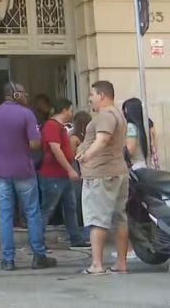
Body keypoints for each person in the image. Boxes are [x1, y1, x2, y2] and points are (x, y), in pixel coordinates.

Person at [0, 82, 56, 271]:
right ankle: (38, 255)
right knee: (32, 212)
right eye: (23, 93)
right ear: (15, 94)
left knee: (6, 214)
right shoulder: (26, 114)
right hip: (23, 170)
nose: (26, 96)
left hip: (1, 171)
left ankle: (7, 260)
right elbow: (34, 143)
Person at [76, 81, 129, 275]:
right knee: (119, 218)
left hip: (101, 174)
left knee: (97, 219)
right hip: (117, 171)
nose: (90, 98)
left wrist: (87, 155)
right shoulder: (118, 114)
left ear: (102, 95)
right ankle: (121, 263)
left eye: (92, 94)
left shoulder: (106, 115)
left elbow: (103, 139)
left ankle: (97, 265)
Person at [38, 98, 89, 249]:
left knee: (70, 206)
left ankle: (75, 238)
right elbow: (56, 149)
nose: (71, 113)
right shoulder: (52, 126)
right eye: (70, 110)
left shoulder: (58, 127)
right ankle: (38, 240)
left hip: (61, 175)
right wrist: (70, 169)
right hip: (53, 174)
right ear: (65, 110)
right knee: (48, 208)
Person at [69, 111, 92, 243]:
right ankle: (86, 232)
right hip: (90, 172)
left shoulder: (74, 138)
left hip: (78, 171)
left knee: (77, 203)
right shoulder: (91, 138)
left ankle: (79, 232)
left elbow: (71, 157)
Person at [122, 98, 149, 170]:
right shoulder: (142, 125)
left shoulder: (131, 127)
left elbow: (130, 149)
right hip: (142, 165)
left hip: (135, 167)